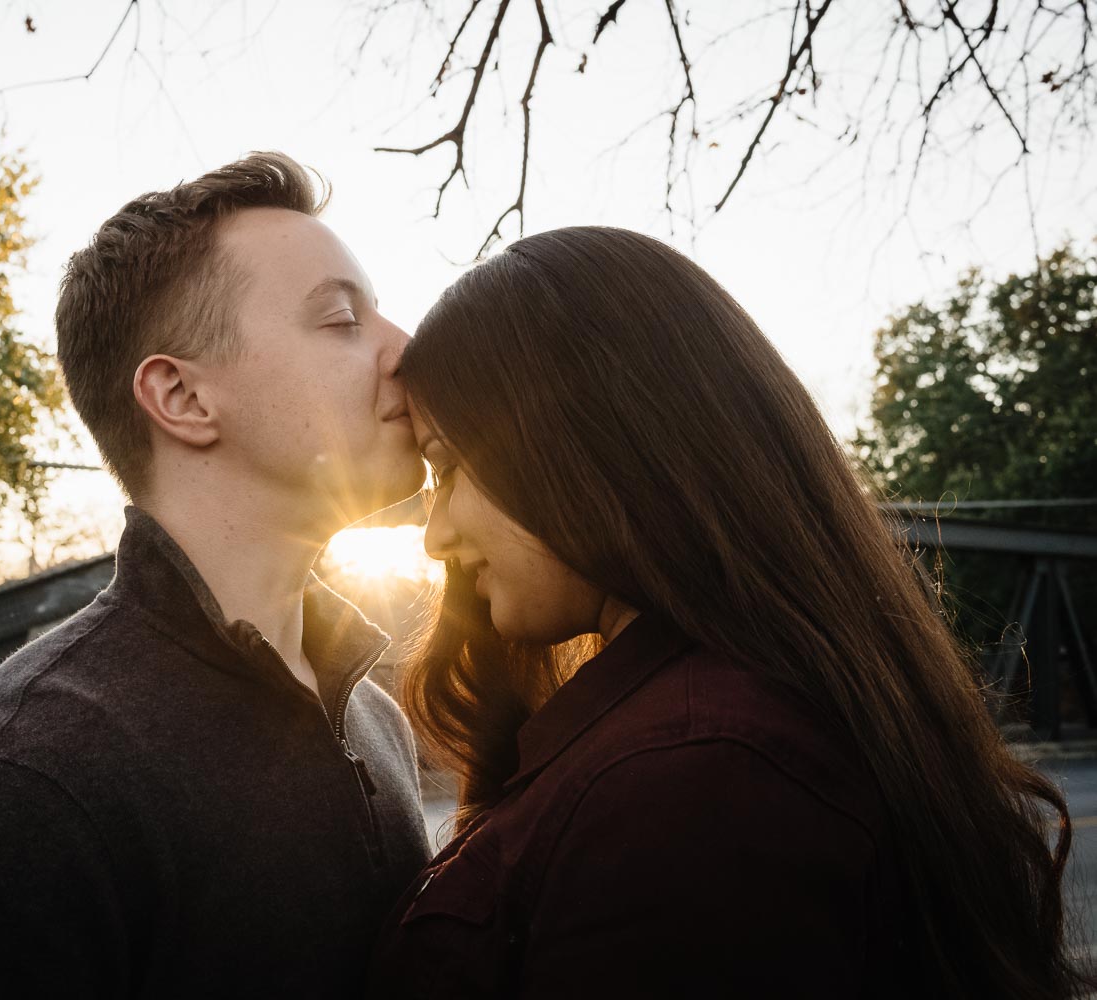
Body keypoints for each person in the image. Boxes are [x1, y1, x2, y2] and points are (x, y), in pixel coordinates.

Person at [366, 227, 1090, 998]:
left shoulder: (689, 780)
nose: (437, 536)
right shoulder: (718, 734)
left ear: (582, 441)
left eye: (447, 467)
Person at [0, 153, 432, 998]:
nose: (407, 350)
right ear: (180, 397)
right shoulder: (22, 792)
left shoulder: (374, 720)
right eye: (340, 321)